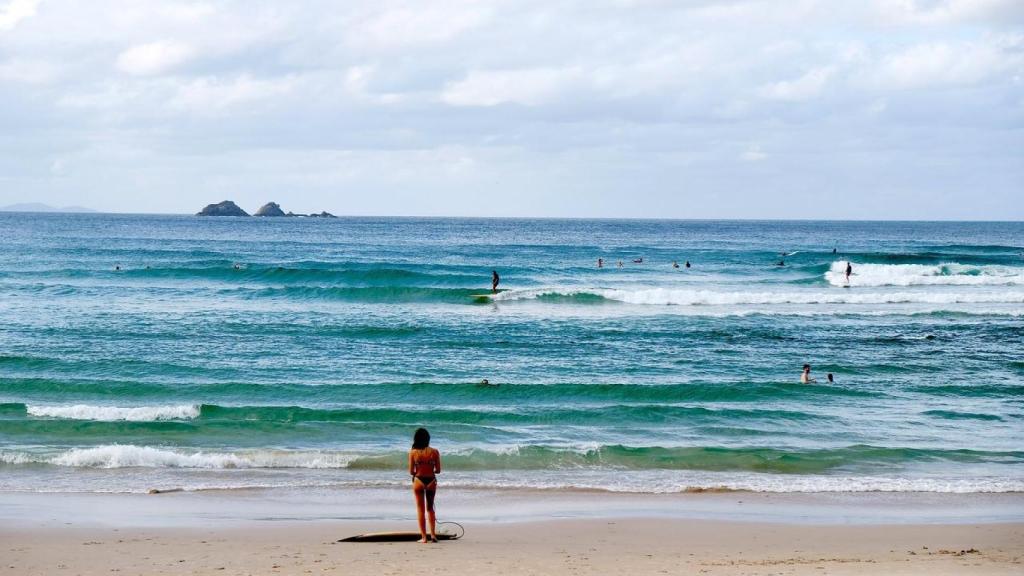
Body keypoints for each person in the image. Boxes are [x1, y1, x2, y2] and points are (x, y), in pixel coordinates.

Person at [409, 428, 441, 543]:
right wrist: (430, 467)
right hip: (431, 481)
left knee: (420, 509)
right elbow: (438, 470)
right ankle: (433, 535)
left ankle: (423, 538)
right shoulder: (435, 452)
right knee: (430, 509)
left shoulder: (413, 452)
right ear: (428, 439)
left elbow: (411, 471)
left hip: (418, 480)